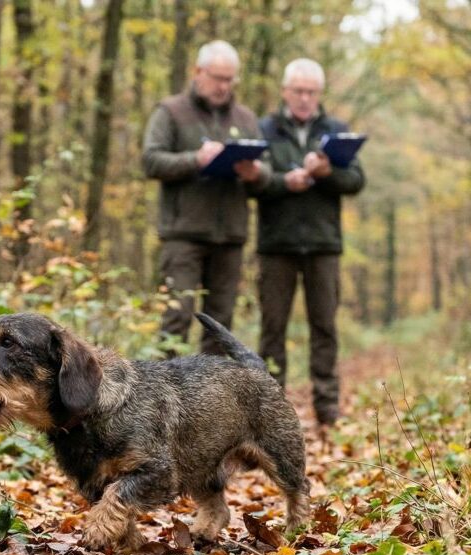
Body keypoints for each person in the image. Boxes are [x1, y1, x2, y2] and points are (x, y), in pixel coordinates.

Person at [254, 58, 365, 428]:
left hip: (323, 244)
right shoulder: (264, 129)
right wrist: (286, 181)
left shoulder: (336, 130)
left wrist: (327, 172)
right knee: (273, 330)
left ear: (319, 94)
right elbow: (249, 182)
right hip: (276, 245)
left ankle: (328, 409)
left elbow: (355, 181)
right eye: (298, 91)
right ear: (285, 91)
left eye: (311, 92)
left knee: (325, 327)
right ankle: (272, 413)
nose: (304, 98)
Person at [142, 40, 270, 355]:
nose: (223, 86)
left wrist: (255, 173)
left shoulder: (245, 118)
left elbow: (267, 174)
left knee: (220, 324)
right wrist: (195, 160)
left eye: (230, 79)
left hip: (230, 235)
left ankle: (211, 399)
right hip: (183, 234)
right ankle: (163, 398)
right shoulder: (170, 111)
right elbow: (151, 161)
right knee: (177, 316)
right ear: (199, 72)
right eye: (217, 77)